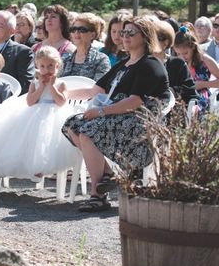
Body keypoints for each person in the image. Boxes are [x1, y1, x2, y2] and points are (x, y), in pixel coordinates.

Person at [62, 16, 170, 212]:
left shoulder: (151, 64)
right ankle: (109, 174)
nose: (125, 36)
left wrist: (101, 111)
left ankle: (97, 195)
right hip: (117, 114)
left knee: (88, 131)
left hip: (138, 119)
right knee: (72, 125)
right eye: (123, 32)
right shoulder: (123, 63)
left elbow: (135, 102)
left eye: (131, 33)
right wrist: (63, 93)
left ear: (145, 37)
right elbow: (95, 91)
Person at [0, 46, 75, 178]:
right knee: (26, 137)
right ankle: (24, 167)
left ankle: (42, 167)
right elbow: (30, 101)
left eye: (50, 66)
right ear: (37, 66)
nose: (46, 70)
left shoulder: (60, 84)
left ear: (57, 66)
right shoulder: (35, 83)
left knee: (45, 140)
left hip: (54, 115)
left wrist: (52, 87)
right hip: (35, 113)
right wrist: (41, 87)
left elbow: (61, 102)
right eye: (42, 66)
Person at [173, 27, 219, 112]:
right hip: (181, 94)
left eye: (185, 53)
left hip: (200, 94)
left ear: (193, 47)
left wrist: (203, 84)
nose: (182, 57)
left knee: (193, 109)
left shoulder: (204, 60)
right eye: (178, 53)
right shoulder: (176, 60)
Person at [153, 20, 199, 106]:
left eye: (153, 39)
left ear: (165, 43)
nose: (149, 42)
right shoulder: (139, 64)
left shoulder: (177, 64)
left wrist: (171, 91)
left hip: (172, 113)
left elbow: (191, 95)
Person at [60, 12, 111, 80]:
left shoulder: (101, 60)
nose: (76, 32)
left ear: (92, 35)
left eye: (82, 29)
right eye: (73, 29)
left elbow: (99, 87)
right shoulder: (64, 60)